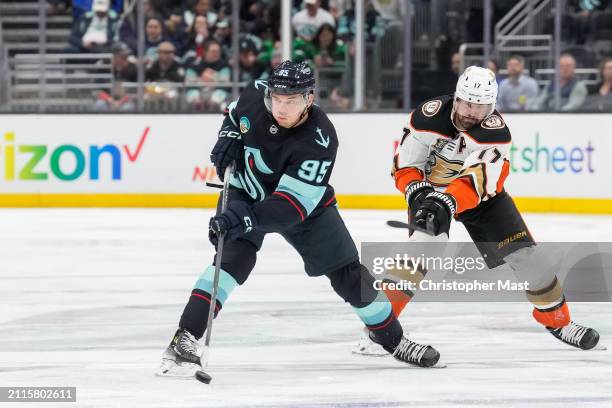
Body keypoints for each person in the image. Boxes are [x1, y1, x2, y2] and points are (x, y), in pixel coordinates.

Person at [158, 61, 441, 377]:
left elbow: (290, 208)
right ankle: (185, 337)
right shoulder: (256, 95)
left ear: (309, 98)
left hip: (304, 209)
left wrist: (244, 219)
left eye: (290, 101)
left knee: (349, 276)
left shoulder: (320, 140)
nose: (280, 107)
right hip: (246, 190)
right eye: (276, 98)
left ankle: (394, 339)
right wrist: (228, 135)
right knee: (231, 261)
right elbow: (234, 114)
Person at [355, 65, 600, 355]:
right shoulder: (428, 115)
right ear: (457, 98)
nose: (473, 112)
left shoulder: (495, 132)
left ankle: (559, 322)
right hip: (430, 193)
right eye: (468, 103)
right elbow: (406, 164)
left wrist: (447, 201)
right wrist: (417, 191)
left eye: (481, 106)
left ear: (492, 106)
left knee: (526, 256)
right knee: (417, 256)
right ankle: (379, 331)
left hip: (482, 199)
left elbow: (479, 180)